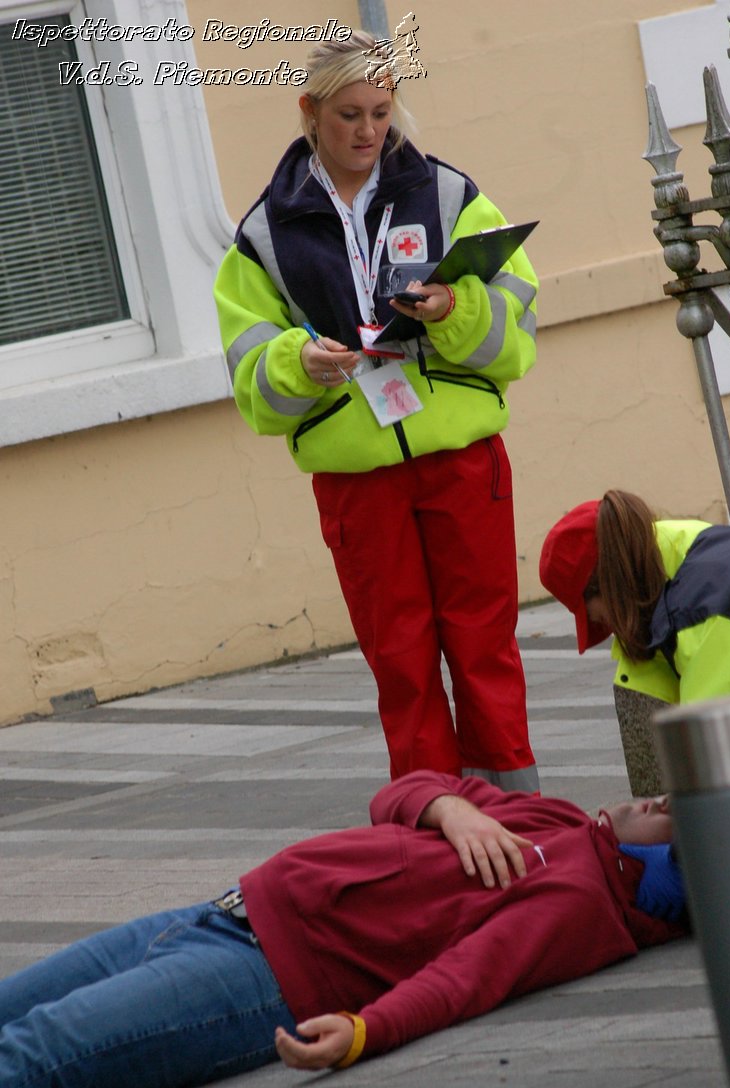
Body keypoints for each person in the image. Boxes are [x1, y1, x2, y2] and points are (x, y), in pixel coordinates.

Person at [0, 770, 686, 1088]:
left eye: (674, 818)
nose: (659, 799)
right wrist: (453, 809)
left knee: (38, 1056)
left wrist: (366, 1030)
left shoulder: (581, 901)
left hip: (257, 981)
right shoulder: (561, 822)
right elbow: (401, 790)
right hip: (220, 913)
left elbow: (469, 977)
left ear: (663, 868)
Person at [213, 31, 539, 791]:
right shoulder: (261, 238)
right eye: (349, 115)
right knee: (399, 659)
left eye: (382, 113)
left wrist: (455, 309)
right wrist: (303, 363)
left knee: (484, 646)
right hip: (358, 478)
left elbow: (517, 333)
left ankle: (519, 818)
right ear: (310, 113)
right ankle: (436, 841)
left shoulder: (453, 195)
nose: (368, 132)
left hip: (463, 461)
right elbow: (250, 381)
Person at [538, 489, 730, 803]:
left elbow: (728, 778)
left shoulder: (706, 614)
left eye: (600, 619)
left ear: (611, 588)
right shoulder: (694, 548)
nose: (610, 631)